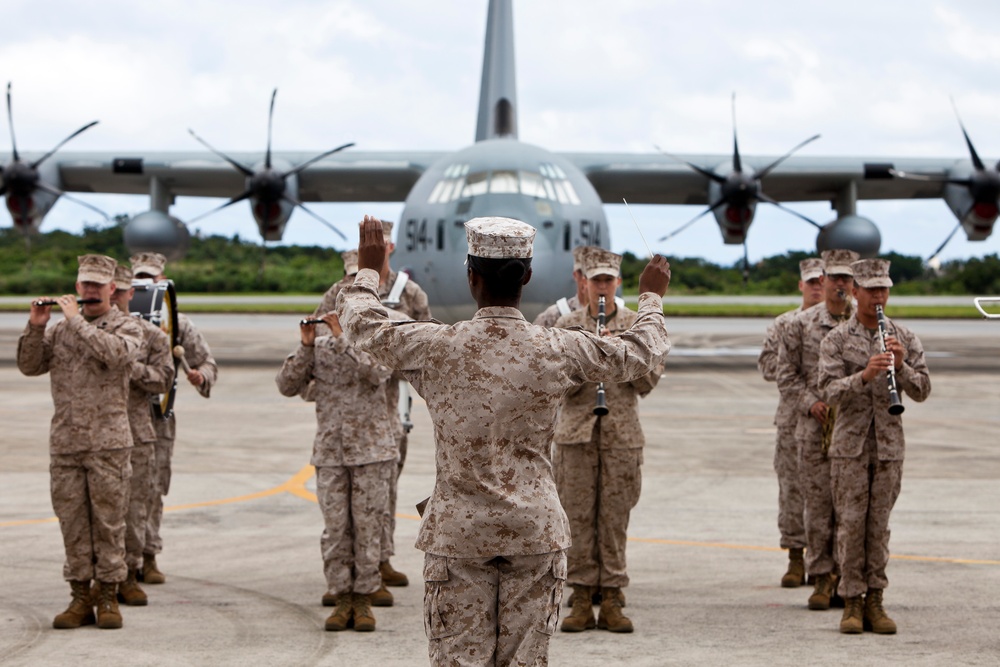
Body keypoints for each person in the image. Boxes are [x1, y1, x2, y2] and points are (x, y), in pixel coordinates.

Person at [336, 215, 671, 666]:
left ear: (471, 277)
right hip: (533, 532)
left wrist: (368, 271)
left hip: (459, 535)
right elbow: (643, 349)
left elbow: (361, 325)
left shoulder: (437, 346)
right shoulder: (558, 347)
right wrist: (651, 297)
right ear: (527, 277)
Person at [17, 254, 143, 630]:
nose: (89, 290)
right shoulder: (58, 330)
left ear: (111, 289)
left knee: (109, 523)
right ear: (77, 287)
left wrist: (75, 321)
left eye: (96, 284)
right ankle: (79, 596)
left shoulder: (127, 327)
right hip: (67, 443)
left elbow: (117, 356)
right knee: (72, 523)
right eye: (84, 284)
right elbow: (30, 366)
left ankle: (107, 595)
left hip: (109, 444)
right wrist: (37, 327)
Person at [315, 224, 432, 599]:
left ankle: (381, 557)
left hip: (390, 405)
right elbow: (318, 334)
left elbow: (424, 343)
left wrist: (384, 356)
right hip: (352, 408)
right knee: (362, 497)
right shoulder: (340, 291)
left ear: (392, 247)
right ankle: (363, 567)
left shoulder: (408, 293)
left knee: (384, 490)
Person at [551, 247, 663, 634]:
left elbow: (648, 382)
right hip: (576, 436)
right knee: (578, 517)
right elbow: (555, 385)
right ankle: (581, 595)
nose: (601, 287)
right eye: (595, 280)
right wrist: (589, 355)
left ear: (617, 282)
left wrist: (620, 354)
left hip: (621, 437)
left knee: (615, 518)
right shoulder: (566, 326)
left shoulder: (637, 324)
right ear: (585, 281)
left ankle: (612, 594)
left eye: (608, 280)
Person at [818, 258, 930, 635]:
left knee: (878, 528)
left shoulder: (905, 337)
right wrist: (864, 376)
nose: (879, 296)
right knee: (850, 526)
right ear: (855, 291)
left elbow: (923, 391)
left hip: (888, 450)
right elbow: (829, 391)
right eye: (872, 290)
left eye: (884, 289)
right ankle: (851, 602)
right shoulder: (835, 340)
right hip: (850, 447)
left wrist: (901, 367)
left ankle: (876, 601)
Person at [275, 312, 397, 632]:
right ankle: (342, 596)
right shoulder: (320, 349)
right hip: (331, 454)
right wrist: (306, 346)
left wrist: (344, 339)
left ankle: (364, 598)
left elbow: (379, 373)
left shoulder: (374, 344)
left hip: (371, 452)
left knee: (368, 529)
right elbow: (287, 386)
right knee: (336, 529)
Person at [131, 252, 218, 584]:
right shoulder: (115, 318)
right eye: (138, 278)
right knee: (121, 489)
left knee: (154, 486)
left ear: (162, 280)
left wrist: (200, 376)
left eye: (150, 278)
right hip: (121, 415)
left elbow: (207, 361)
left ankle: (149, 555)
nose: (144, 285)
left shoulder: (175, 321)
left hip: (158, 417)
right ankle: (121, 561)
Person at [776, 249, 857, 607]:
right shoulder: (799, 324)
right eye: (834, 277)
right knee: (818, 506)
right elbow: (785, 374)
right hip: (813, 428)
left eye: (846, 278)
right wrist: (811, 403)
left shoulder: (866, 324)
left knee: (850, 509)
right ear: (821, 281)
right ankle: (821, 577)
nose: (840, 284)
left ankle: (846, 578)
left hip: (853, 429)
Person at [109, 264, 175, 607]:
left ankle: (137, 566)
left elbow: (165, 377)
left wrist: (198, 375)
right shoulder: (77, 330)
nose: (116, 297)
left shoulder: (153, 333)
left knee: (141, 503)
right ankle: (101, 578)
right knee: (103, 511)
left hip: (143, 428)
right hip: (95, 434)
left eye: (122, 291)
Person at [757, 257, 824, 588]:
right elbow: (769, 366)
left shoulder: (845, 324)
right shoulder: (784, 324)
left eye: (822, 281)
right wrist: (794, 361)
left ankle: (826, 561)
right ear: (801, 285)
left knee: (828, 493)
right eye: (811, 282)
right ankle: (796, 557)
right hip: (793, 420)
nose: (817, 287)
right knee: (792, 491)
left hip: (831, 418)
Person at [532, 245, 590, 327]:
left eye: (595, 278)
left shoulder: (613, 315)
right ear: (576, 275)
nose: (586, 281)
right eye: (585, 275)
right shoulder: (554, 315)